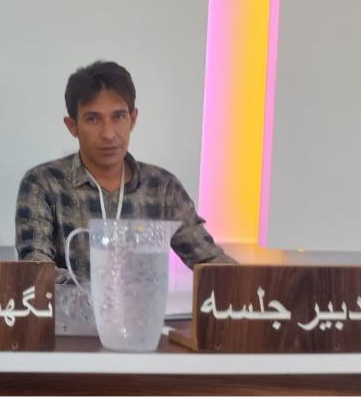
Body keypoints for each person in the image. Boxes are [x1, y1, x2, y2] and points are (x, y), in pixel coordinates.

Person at [15, 61, 233, 284]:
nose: (108, 134)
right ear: (72, 126)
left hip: (145, 309)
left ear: (133, 119)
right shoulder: (43, 184)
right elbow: (36, 269)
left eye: (118, 117)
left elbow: (210, 260)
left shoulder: (162, 187)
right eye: (93, 119)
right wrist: (104, 296)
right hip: (70, 309)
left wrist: (243, 283)